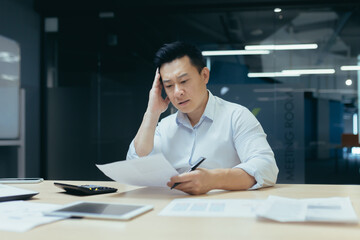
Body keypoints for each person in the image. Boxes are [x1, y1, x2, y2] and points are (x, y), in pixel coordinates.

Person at [127, 41, 278, 195]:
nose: (177, 92)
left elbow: (266, 167)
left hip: (224, 210)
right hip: (173, 212)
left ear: (204, 75)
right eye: (169, 85)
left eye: (184, 81)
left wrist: (214, 180)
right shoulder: (165, 126)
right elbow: (135, 163)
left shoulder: (236, 116)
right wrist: (152, 113)